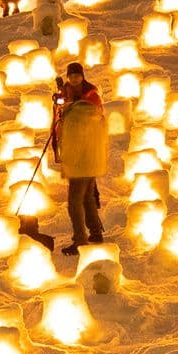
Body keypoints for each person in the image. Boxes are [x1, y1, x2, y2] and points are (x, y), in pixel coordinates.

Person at [49, 64, 107, 254]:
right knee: (87, 197)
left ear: (82, 76)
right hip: (88, 156)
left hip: (82, 157)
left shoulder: (89, 100)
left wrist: (68, 108)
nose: (74, 79)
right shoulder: (66, 93)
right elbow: (59, 122)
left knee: (75, 202)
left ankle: (80, 239)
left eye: (77, 75)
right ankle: (95, 232)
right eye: (71, 76)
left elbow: (78, 126)